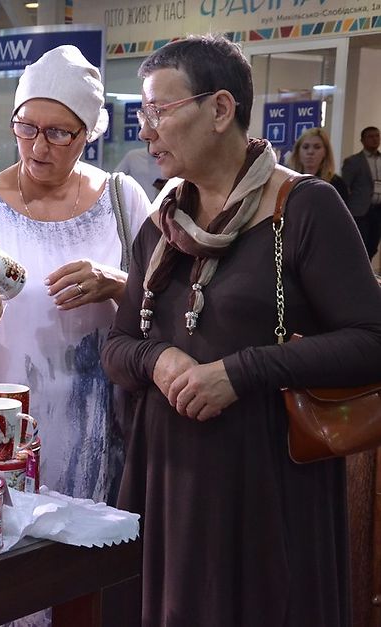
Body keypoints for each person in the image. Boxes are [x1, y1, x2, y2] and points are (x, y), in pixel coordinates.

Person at [101, 35, 381, 626]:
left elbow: (371, 341)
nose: (145, 131)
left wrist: (241, 372)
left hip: (266, 488)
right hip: (169, 481)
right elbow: (118, 346)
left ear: (220, 109)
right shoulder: (163, 223)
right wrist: (159, 361)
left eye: (159, 111)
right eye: (142, 114)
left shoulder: (303, 209)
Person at [0, 45, 151, 504]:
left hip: (97, 424)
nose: (38, 146)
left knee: (87, 559)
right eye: (26, 127)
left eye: (58, 133)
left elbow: (163, 305)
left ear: (87, 133)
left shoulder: (122, 202)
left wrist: (117, 284)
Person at [341, 126, 381, 260]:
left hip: (378, 209)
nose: (375, 139)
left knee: (373, 245)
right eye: (371, 136)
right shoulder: (353, 161)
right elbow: (344, 186)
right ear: (362, 140)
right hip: (361, 210)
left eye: (377, 136)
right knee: (361, 245)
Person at [287, 127, 348, 203]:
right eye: (305, 147)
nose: (310, 152)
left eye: (317, 147)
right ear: (298, 151)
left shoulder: (337, 184)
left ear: (325, 152)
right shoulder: (288, 181)